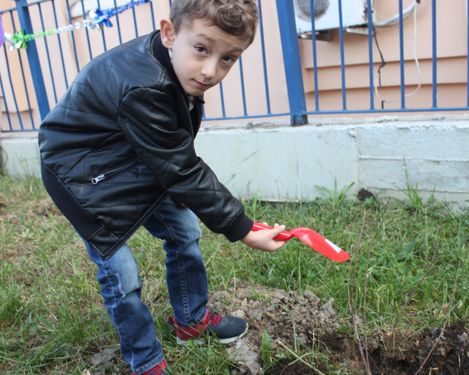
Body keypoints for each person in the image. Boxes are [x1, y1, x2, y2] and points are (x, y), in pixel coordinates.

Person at [37, 0, 286, 373]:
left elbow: (172, 157)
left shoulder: (174, 65)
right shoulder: (144, 86)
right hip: (80, 175)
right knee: (121, 275)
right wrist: (243, 228)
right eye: (202, 49)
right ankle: (146, 360)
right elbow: (182, 168)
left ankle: (191, 319)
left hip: (129, 155)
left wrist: (237, 220)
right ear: (169, 32)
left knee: (183, 230)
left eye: (228, 58)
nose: (210, 70)